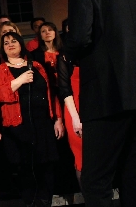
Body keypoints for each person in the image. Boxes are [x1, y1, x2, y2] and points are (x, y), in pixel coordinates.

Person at [55, 0, 136, 206]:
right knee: (131, 178)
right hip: (133, 96)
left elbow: (79, 36)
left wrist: (67, 53)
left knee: (94, 181)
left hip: (105, 97)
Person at [0, 32, 62, 207]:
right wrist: (19, 80)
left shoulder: (36, 65)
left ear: (21, 44)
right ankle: (30, 202)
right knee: (25, 167)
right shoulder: (0, 69)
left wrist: (58, 118)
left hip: (43, 123)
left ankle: (45, 201)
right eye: (6, 42)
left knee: (46, 165)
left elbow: (50, 94)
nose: (10, 44)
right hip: (18, 126)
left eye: (14, 41)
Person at [57, 54, 82, 189]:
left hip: (96, 108)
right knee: (81, 159)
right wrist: (75, 118)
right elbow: (64, 89)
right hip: (75, 109)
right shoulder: (65, 57)